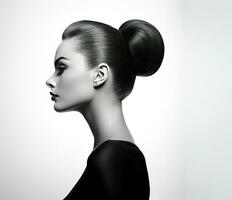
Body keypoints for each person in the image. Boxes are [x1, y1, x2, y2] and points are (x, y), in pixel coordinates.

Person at [46, 19, 164, 200]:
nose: (50, 80)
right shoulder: (119, 156)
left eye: (62, 68)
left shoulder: (111, 159)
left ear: (100, 75)